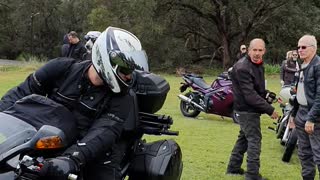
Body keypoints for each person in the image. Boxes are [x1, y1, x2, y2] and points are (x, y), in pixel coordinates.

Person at [0, 26, 149, 180]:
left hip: (94, 150)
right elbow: (22, 92)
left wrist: (72, 158)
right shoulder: (61, 67)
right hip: (50, 142)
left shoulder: (122, 97)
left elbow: (104, 131)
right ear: (105, 58)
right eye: (126, 70)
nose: (129, 76)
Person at [226, 38, 279, 180]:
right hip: (246, 110)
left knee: (243, 139)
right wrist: (270, 110)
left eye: (260, 50)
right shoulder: (243, 67)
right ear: (249, 50)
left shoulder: (258, 64)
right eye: (254, 50)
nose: (257, 53)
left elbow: (257, 88)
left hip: (249, 109)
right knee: (254, 140)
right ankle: (252, 175)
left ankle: (233, 168)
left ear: (264, 51)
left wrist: (267, 93)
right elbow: (249, 95)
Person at [289, 35, 320, 180]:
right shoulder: (302, 66)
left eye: (303, 47)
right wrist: (293, 115)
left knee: (318, 153)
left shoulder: (318, 66)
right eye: (298, 47)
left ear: (313, 49)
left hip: (314, 116)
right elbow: (298, 93)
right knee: (304, 153)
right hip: (301, 112)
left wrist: (311, 118)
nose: (300, 50)